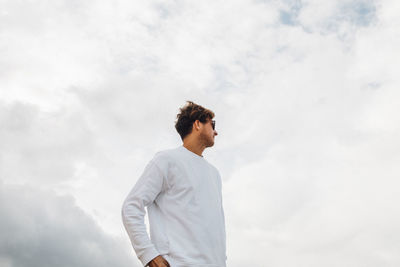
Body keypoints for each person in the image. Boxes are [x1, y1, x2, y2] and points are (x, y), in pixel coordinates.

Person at [121, 101, 227, 267]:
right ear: (198, 124)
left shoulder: (215, 174)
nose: (216, 131)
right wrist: (148, 254)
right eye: (212, 124)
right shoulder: (166, 160)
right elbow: (131, 206)